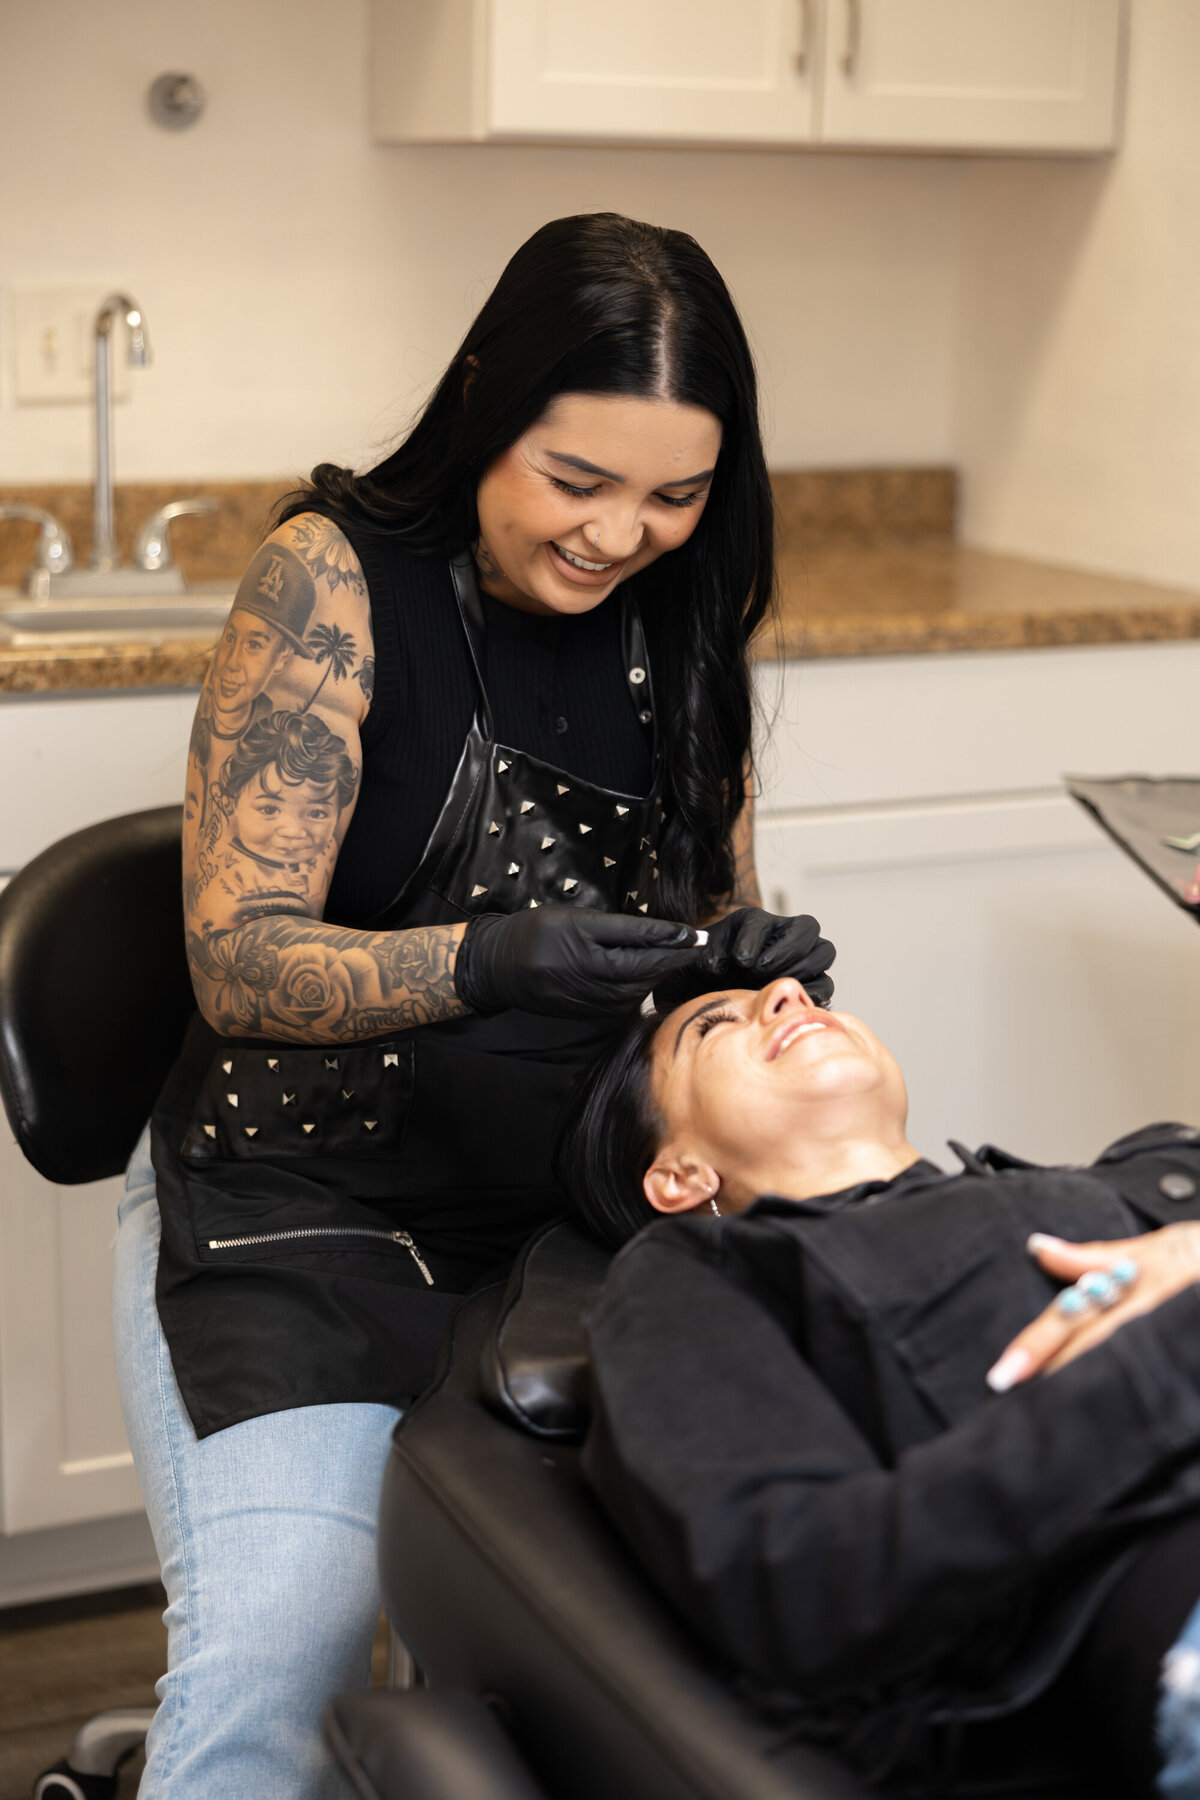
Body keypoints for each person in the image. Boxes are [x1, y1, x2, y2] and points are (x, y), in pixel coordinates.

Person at [112, 212, 837, 1799]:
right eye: (576, 481)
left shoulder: (684, 612)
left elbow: (703, 911)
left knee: (646, 1653)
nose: (619, 535)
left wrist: (739, 968)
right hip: (298, 1216)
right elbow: (238, 961)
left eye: (675, 493)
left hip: (566, 1224)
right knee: (279, 1658)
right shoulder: (332, 583)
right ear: (487, 402)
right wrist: (485, 959)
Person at [562, 975, 1200, 1799]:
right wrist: (1170, 1349)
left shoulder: (1144, 1169)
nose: (788, 992)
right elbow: (809, 1582)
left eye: (789, 989)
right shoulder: (692, 1282)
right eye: (714, 1025)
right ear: (681, 1175)